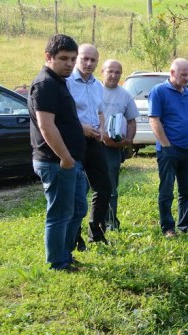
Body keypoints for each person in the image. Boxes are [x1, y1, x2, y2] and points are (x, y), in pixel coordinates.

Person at [28, 34, 87, 271]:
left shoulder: (58, 81)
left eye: (73, 59)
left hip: (69, 161)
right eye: (63, 58)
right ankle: (57, 263)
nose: (70, 64)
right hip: (56, 161)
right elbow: (46, 126)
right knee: (60, 213)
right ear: (48, 57)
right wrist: (65, 158)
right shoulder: (45, 84)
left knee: (78, 209)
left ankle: (65, 253)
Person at [148, 58, 188, 237]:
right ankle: (168, 227)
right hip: (169, 150)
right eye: (183, 74)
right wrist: (166, 146)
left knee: (187, 191)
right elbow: (154, 119)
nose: (186, 78)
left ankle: (185, 225)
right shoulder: (159, 91)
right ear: (172, 73)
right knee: (167, 191)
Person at [67, 43, 112, 245]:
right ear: (77, 58)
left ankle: (96, 232)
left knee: (104, 188)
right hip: (74, 140)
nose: (88, 63)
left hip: (94, 141)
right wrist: (81, 128)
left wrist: (101, 128)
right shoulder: (67, 82)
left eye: (93, 60)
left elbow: (100, 112)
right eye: (84, 58)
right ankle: (74, 236)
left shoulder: (97, 85)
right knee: (76, 191)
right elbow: (64, 116)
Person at [100, 59, 139, 231]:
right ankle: (88, 224)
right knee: (84, 188)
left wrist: (128, 141)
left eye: (117, 72)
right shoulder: (94, 90)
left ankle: (110, 223)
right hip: (92, 145)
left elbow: (131, 121)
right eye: (110, 71)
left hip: (113, 148)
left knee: (111, 187)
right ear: (102, 72)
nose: (114, 75)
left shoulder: (125, 95)